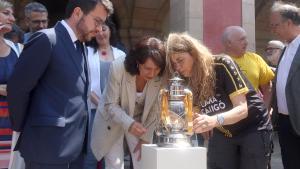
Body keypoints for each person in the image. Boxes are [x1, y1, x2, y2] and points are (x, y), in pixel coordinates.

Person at [7, 0, 113, 169]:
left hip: (75, 151)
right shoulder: (46, 39)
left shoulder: (82, 46)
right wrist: (23, 128)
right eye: (97, 21)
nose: (100, 29)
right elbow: (18, 88)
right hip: (45, 149)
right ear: (77, 13)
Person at [165, 32, 272, 169]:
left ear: (194, 53)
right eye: (174, 64)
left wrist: (213, 120)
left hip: (253, 128)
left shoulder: (222, 64)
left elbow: (242, 109)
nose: (178, 68)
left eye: (180, 60)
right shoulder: (187, 80)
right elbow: (197, 114)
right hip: (224, 131)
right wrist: (182, 120)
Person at [91, 36, 166, 169]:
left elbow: (156, 108)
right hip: (111, 119)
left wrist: (146, 137)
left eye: (157, 69)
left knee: (143, 162)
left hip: (140, 122)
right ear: (137, 62)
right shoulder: (118, 67)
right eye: (148, 68)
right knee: (115, 165)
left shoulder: (161, 75)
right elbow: (110, 105)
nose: (153, 73)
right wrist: (129, 124)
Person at [84, 19, 126, 169]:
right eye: (97, 30)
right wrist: (102, 104)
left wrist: (113, 107)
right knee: (91, 154)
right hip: (94, 111)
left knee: (114, 156)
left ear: (110, 30)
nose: (101, 33)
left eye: (104, 28)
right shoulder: (86, 53)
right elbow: (84, 83)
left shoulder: (121, 55)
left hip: (115, 112)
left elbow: (125, 86)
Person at [269, 2, 300, 169]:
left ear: (289, 23)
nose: (273, 30)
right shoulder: (286, 49)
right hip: (285, 122)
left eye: (276, 25)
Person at [222, 26, 274, 107]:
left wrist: (265, 109)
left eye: (246, 39)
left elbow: (267, 88)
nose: (246, 42)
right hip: (229, 115)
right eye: (242, 39)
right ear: (229, 43)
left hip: (255, 113)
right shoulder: (217, 63)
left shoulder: (256, 59)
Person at [0, 1, 24, 169]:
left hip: (11, 123)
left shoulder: (18, 48)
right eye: (7, 13)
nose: (12, 18)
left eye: (13, 14)